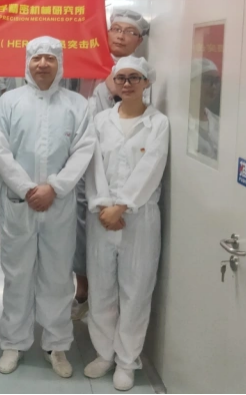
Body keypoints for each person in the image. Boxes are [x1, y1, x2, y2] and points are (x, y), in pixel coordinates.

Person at [0, 37, 97, 379]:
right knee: (17, 275)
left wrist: (55, 187)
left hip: (58, 205)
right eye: (36, 58)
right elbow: (1, 152)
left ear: (59, 63)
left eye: (49, 59)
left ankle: (57, 344)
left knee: (57, 276)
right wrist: (27, 189)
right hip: (19, 203)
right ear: (27, 62)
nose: (42, 64)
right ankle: (14, 342)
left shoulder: (77, 105)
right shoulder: (8, 103)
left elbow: (83, 150)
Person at [83, 56, 169, 392]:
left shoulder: (158, 123)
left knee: (135, 291)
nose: (128, 84)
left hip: (139, 218)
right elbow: (93, 167)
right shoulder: (100, 121)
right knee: (102, 288)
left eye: (135, 77)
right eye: (121, 78)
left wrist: (123, 206)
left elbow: (151, 167)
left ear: (147, 82)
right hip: (101, 216)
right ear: (114, 83)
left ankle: (127, 360)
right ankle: (104, 353)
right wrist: (105, 205)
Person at [72, 9, 152, 322]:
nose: (119, 35)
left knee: (115, 245)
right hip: (84, 161)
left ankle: (104, 303)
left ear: (139, 40)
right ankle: (83, 291)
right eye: (115, 28)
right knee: (82, 230)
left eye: (128, 32)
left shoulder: (138, 75)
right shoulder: (88, 63)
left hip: (119, 175)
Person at [188, 58, 222, 161]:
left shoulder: (218, 122)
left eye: (216, 81)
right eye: (208, 80)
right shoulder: (180, 123)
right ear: (191, 84)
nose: (214, 86)